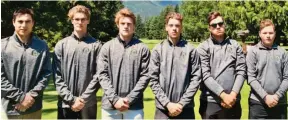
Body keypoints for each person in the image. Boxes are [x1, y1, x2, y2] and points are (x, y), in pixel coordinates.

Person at [83, 8, 150, 119]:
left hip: (134, 107)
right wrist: (115, 100)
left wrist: (129, 99)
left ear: (134, 27)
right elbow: (102, 75)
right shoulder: (107, 47)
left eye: (129, 23)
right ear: (118, 25)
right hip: (110, 106)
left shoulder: (142, 48)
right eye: (122, 23)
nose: (125, 26)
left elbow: (145, 76)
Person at [149, 12, 201, 119]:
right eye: (171, 25)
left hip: (185, 108)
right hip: (162, 109)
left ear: (181, 28)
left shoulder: (190, 50)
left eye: (177, 26)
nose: (174, 28)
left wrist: (181, 103)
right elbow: (153, 80)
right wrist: (167, 103)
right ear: (166, 27)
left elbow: (196, 79)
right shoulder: (158, 50)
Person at [53, 5, 102, 119]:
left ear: (88, 20)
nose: (80, 22)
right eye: (76, 19)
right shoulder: (62, 45)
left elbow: (99, 75)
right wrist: (71, 99)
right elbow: (57, 76)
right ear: (72, 21)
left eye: (83, 19)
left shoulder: (96, 46)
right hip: (66, 103)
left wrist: (83, 99)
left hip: (88, 104)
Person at [1, 8, 52, 119]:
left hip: (34, 109)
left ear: (33, 23)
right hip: (7, 109)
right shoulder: (2, 46)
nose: (24, 25)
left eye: (28, 21)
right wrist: (21, 97)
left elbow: (46, 74)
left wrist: (31, 96)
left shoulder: (42, 46)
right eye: (20, 21)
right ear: (13, 22)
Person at [197, 11, 246, 119]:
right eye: (214, 25)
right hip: (210, 102)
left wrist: (233, 95)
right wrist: (223, 95)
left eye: (220, 24)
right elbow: (205, 75)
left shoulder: (235, 45)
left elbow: (241, 70)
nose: (218, 27)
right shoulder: (203, 47)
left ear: (224, 25)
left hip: (234, 101)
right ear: (209, 28)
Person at [246, 19, 288, 119]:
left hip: (279, 103)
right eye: (265, 33)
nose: (268, 35)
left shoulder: (282, 52)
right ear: (260, 34)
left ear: (275, 34)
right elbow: (251, 78)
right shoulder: (253, 52)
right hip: (258, 103)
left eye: (270, 33)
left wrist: (277, 96)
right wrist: (265, 97)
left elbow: (287, 77)